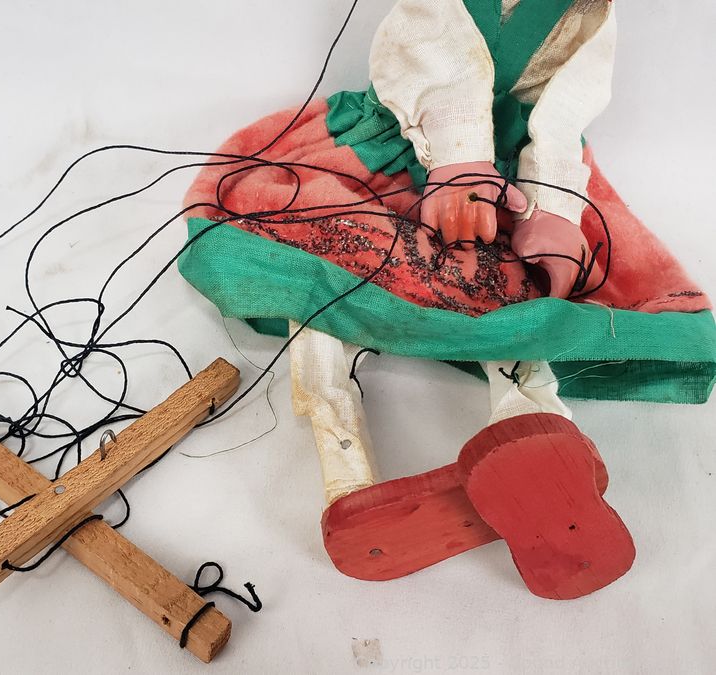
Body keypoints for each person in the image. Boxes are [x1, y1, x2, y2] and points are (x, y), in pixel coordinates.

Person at [179, 0, 715, 598]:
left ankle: (529, 437)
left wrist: (555, 203)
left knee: (514, 281)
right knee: (331, 250)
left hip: (517, 174)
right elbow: (426, 35)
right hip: (396, 149)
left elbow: (568, 106)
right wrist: (460, 161)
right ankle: (355, 463)